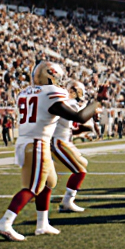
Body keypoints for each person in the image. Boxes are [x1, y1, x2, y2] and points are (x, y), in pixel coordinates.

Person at [0, 61, 96, 241]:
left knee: (49, 182)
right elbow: (79, 117)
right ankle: (5, 221)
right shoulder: (51, 93)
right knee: (33, 187)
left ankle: (42, 224)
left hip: (31, 141)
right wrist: (98, 101)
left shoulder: (25, 92)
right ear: (50, 74)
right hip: (37, 143)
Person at [51, 80, 95, 213]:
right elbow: (80, 117)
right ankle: (67, 202)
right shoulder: (71, 104)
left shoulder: (67, 104)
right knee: (80, 171)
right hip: (58, 142)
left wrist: (81, 132)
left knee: (83, 162)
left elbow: (69, 128)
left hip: (64, 141)